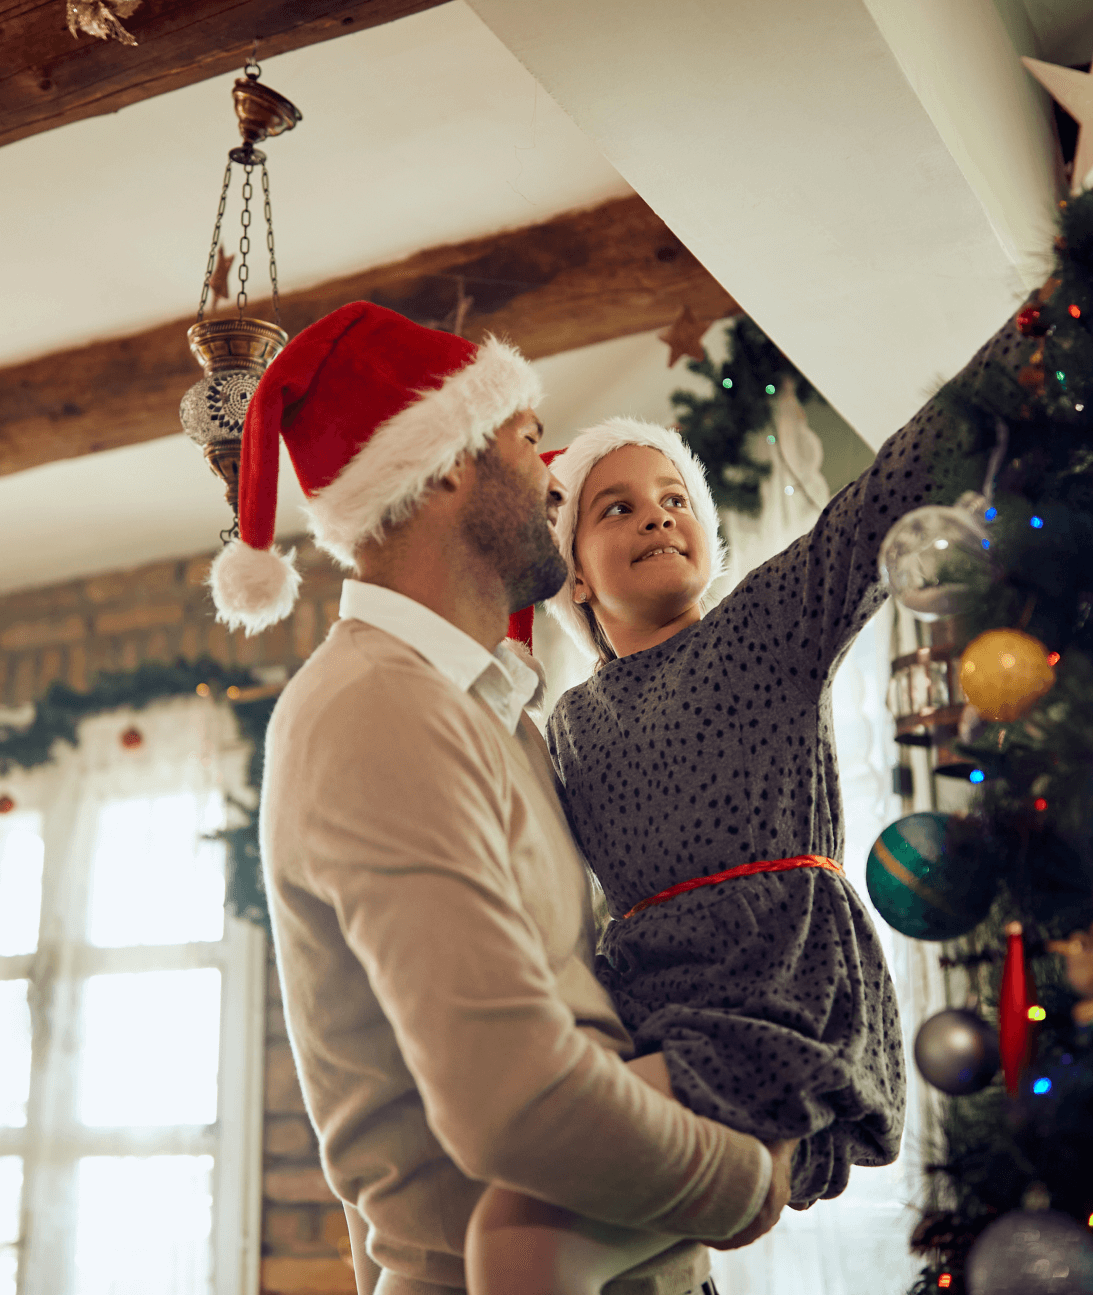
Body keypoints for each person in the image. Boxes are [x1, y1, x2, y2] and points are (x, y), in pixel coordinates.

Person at [208, 300, 796, 1295]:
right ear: (443, 466)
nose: (554, 476)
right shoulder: (375, 709)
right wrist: (751, 1183)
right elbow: (513, 1100)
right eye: (530, 443)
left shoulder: (503, 716)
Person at [469, 309, 1028, 1292]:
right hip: (646, 1017)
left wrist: (1036, 327)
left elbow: (886, 496)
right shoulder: (566, 721)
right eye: (615, 507)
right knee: (580, 1243)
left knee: (517, 1216)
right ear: (575, 584)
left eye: (672, 495)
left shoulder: (762, 627)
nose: (653, 514)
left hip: (777, 1005)